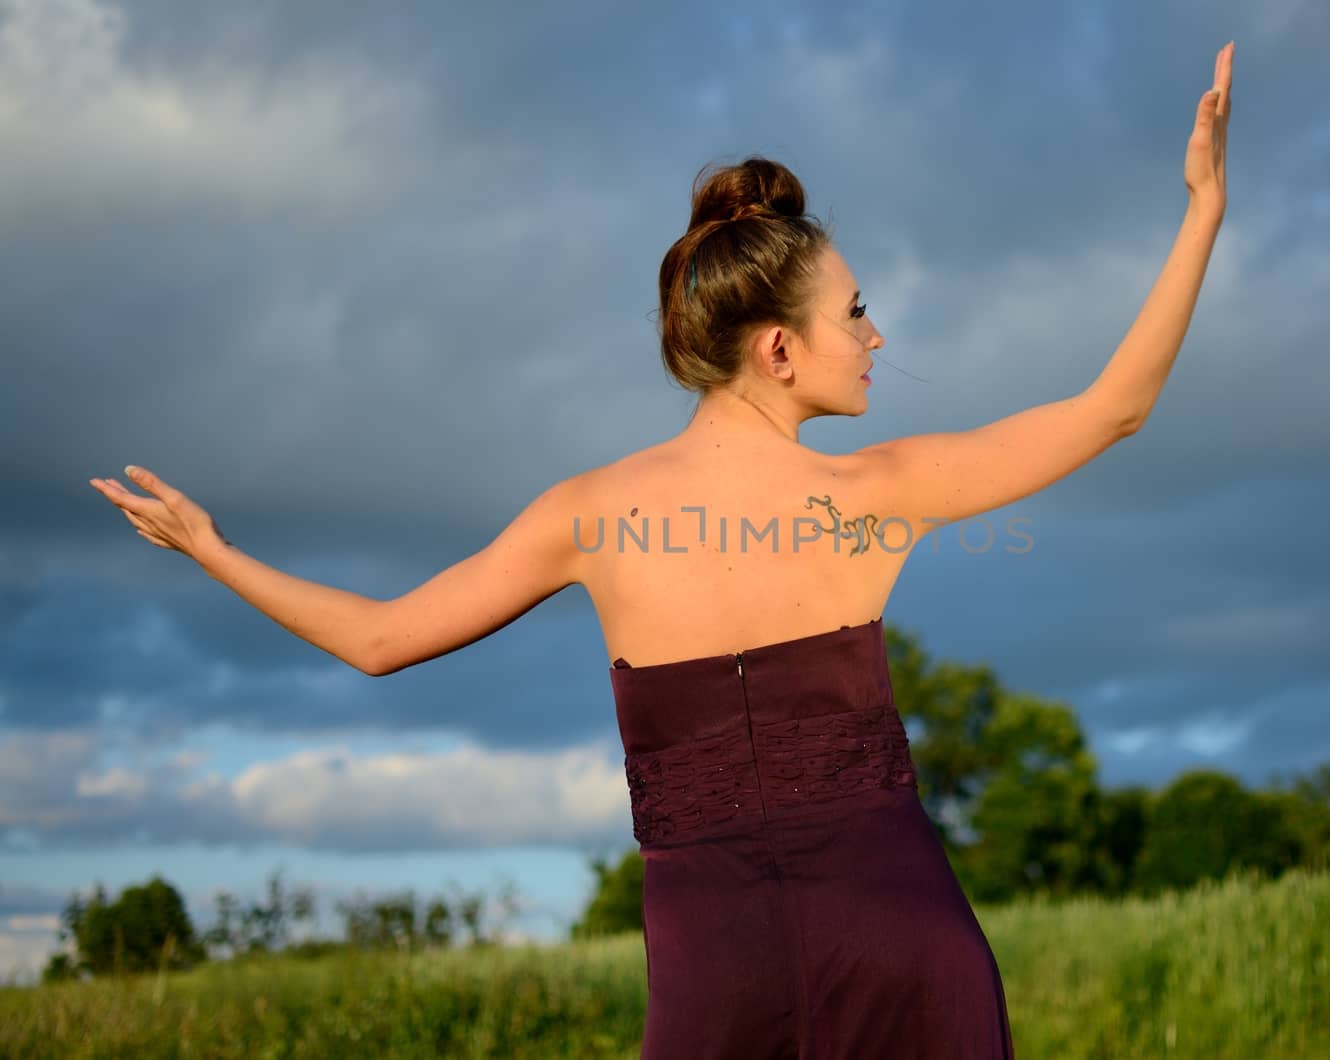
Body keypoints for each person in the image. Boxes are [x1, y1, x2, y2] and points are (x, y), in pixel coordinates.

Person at [89, 41, 1232, 1059]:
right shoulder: (874, 494)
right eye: (854, 313)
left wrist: (211, 550)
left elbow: (381, 640)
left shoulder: (591, 513)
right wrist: (1201, 212)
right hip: (904, 945)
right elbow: (1112, 408)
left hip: (711, 973)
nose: (876, 334)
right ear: (779, 350)